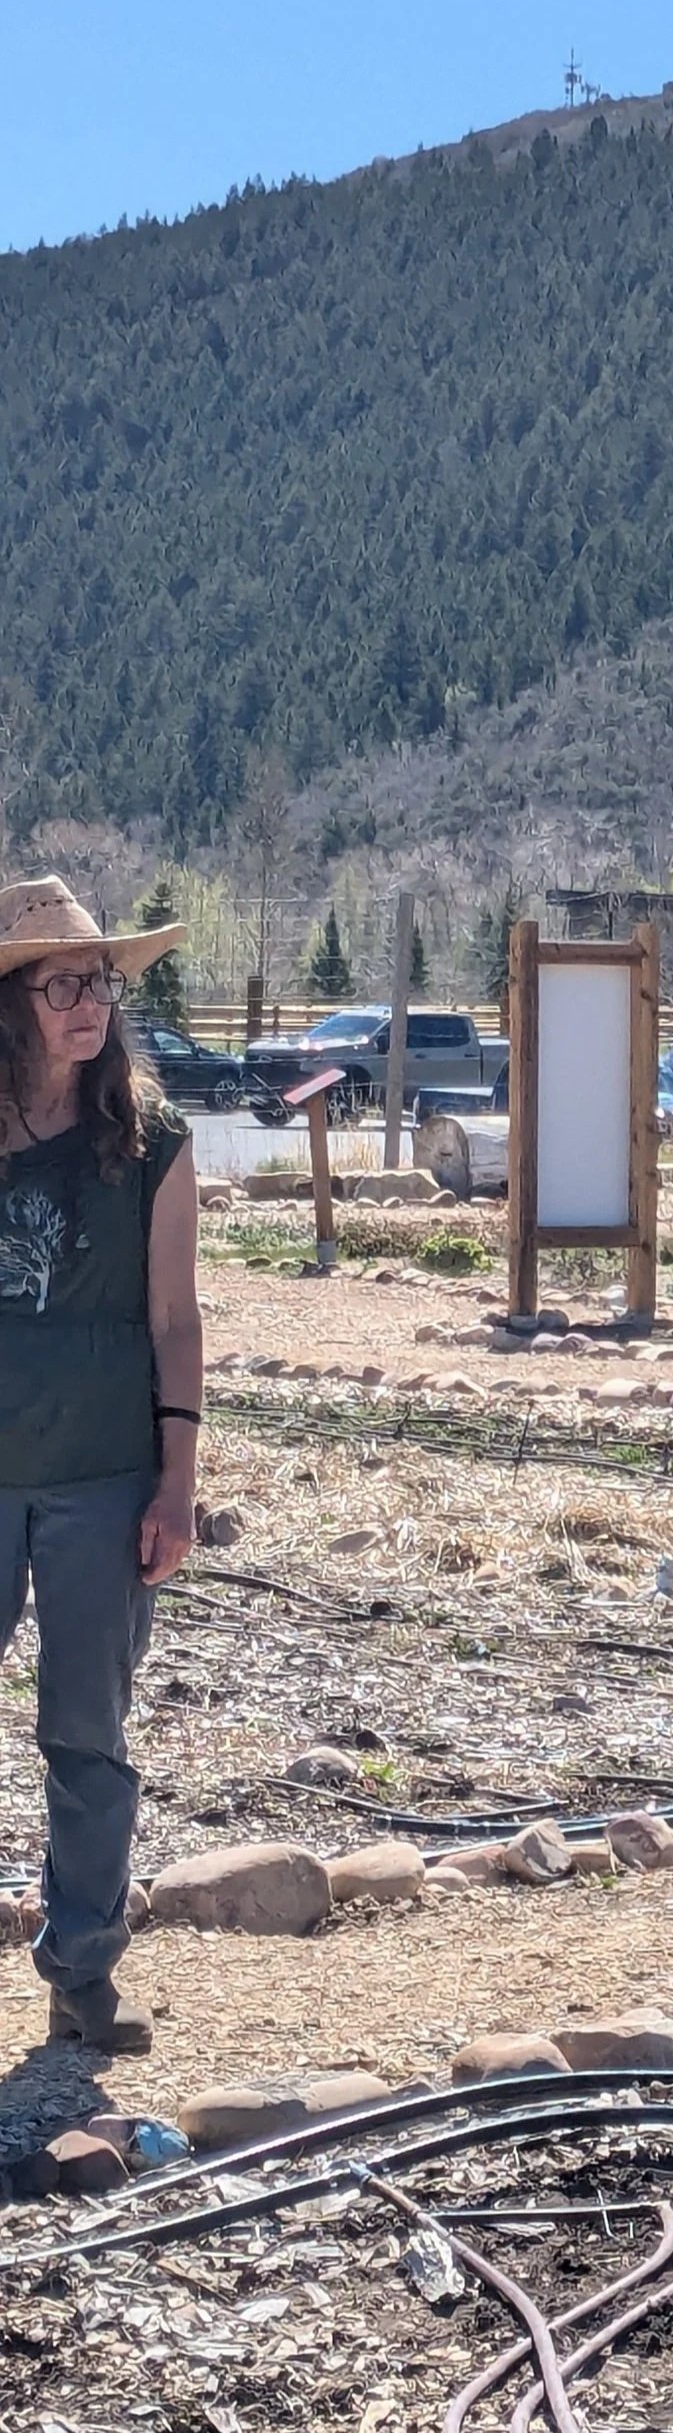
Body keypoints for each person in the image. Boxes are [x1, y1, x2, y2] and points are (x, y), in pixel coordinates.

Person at [0, 876, 202, 2057]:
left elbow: (174, 1318)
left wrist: (177, 1482)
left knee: (87, 1735)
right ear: (12, 1003)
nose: (91, 1003)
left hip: (104, 1476)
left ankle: (82, 1969)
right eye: (63, 983)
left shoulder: (150, 1138)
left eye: (102, 981)